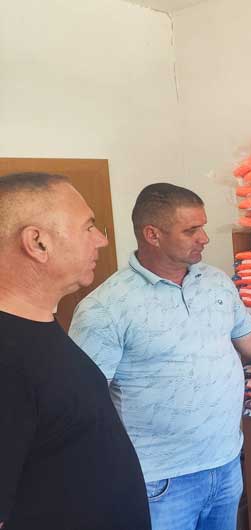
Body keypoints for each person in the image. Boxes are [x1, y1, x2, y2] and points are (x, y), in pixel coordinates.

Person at [69, 183, 251, 530]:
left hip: (225, 465)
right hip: (159, 481)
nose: (204, 238)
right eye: (191, 230)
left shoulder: (216, 282)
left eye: (203, 227)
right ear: (152, 235)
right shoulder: (105, 308)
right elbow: (83, 404)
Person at [0, 172, 150, 530]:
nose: (101, 240)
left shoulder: (39, 326)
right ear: (38, 243)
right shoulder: (6, 357)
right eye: (88, 227)